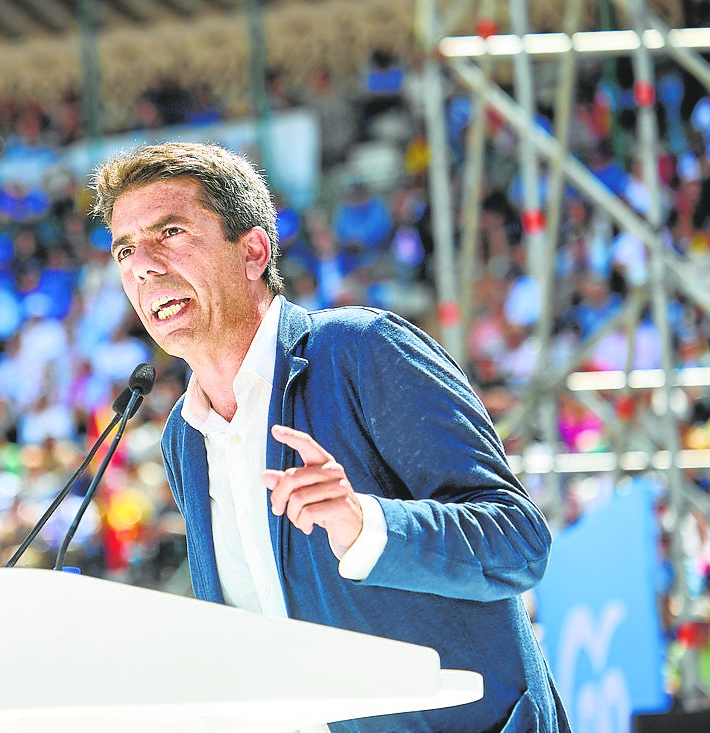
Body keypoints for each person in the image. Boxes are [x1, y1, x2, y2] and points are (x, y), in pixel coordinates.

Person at [92, 141, 569, 732]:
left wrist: (367, 525)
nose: (144, 265)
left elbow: (518, 543)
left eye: (170, 233)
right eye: (125, 248)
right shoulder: (183, 440)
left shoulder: (362, 350)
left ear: (253, 252)